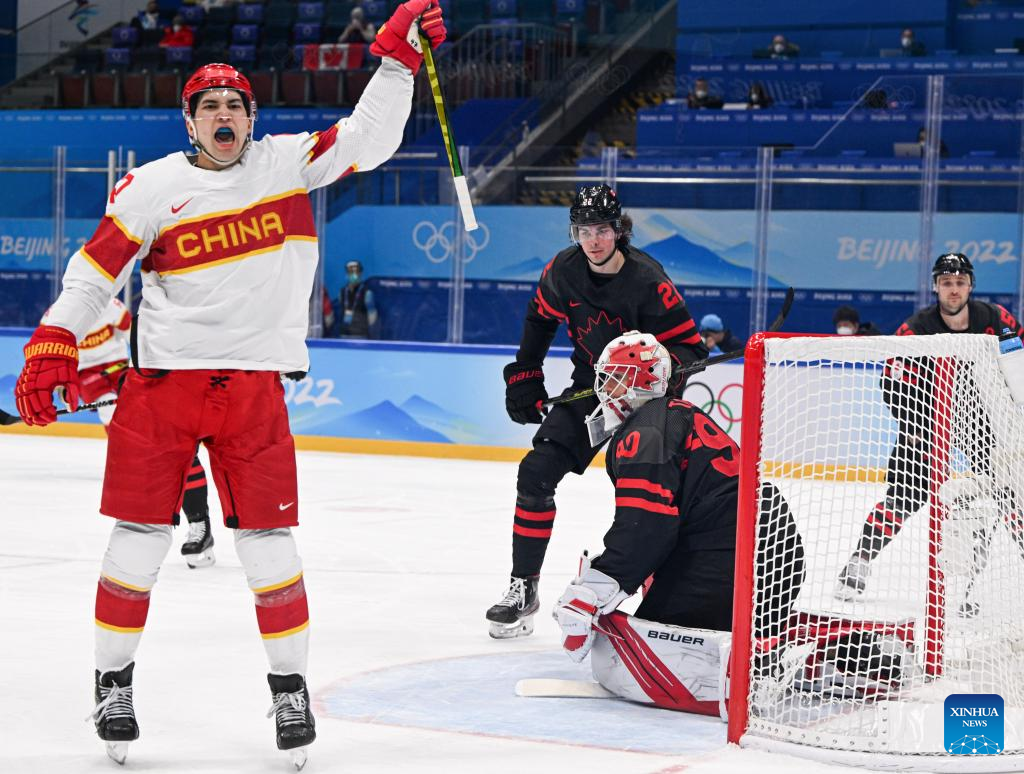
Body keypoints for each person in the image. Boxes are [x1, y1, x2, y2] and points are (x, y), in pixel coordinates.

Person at [12, 0, 447, 765]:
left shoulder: (288, 164)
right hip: (162, 387)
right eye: (208, 105)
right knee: (139, 542)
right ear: (189, 121)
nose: (223, 114)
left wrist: (395, 59)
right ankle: (111, 682)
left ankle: (290, 694)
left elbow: (372, 138)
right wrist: (55, 336)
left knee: (271, 548)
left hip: (252, 390)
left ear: (251, 118)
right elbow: (93, 274)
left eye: (235, 105)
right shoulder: (149, 187)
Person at [485, 185, 708, 639]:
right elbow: (539, 317)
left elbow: (690, 347)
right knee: (535, 474)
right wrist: (526, 372)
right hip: (592, 389)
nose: (593, 240)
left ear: (618, 231)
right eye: (583, 231)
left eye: (602, 229)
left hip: (648, 399)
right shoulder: (563, 271)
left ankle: (667, 595)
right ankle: (523, 588)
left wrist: (661, 381)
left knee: (648, 500)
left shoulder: (649, 281)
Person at [552, 332, 807, 710]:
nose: (605, 388)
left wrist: (594, 590)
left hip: (734, 559)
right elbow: (668, 524)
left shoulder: (646, 431)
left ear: (645, 382)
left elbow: (647, 525)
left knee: (639, 658)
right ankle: (774, 647)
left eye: (616, 377)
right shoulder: (674, 415)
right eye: (605, 377)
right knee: (666, 619)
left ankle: (777, 665)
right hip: (770, 551)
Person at [835, 253, 1024, 603]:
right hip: (926, 420)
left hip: (981, 421)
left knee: (1003, 494)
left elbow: (1018, 364)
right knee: (904, 496)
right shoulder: (915, 328)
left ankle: (967, 587)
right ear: (936, 286)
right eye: (947, 283)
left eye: (960, 282)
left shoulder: (997, 319)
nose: (954, 290)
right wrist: (912, 425)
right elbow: (891, 381)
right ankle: (858, 563)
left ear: (970, 286)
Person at [41, 298, 216, 568]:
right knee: (113, 415)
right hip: (87, 374)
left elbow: (133, 335)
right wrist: (65, 386)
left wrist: (140, 365)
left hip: (122, 367)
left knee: (175, 443)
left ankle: (198, 524)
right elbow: (54, 362)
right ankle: (135, 465)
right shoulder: (57, 317)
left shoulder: (109, 304)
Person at [339, 260, 378, 338]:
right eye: (350, 271)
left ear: (360, 273)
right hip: (344, 333)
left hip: (360, 334)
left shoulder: (367, 293)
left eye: (356, 271)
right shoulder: (342, 292)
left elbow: (372, 316)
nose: (354, 274)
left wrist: (365, 329)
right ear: (347, 274)